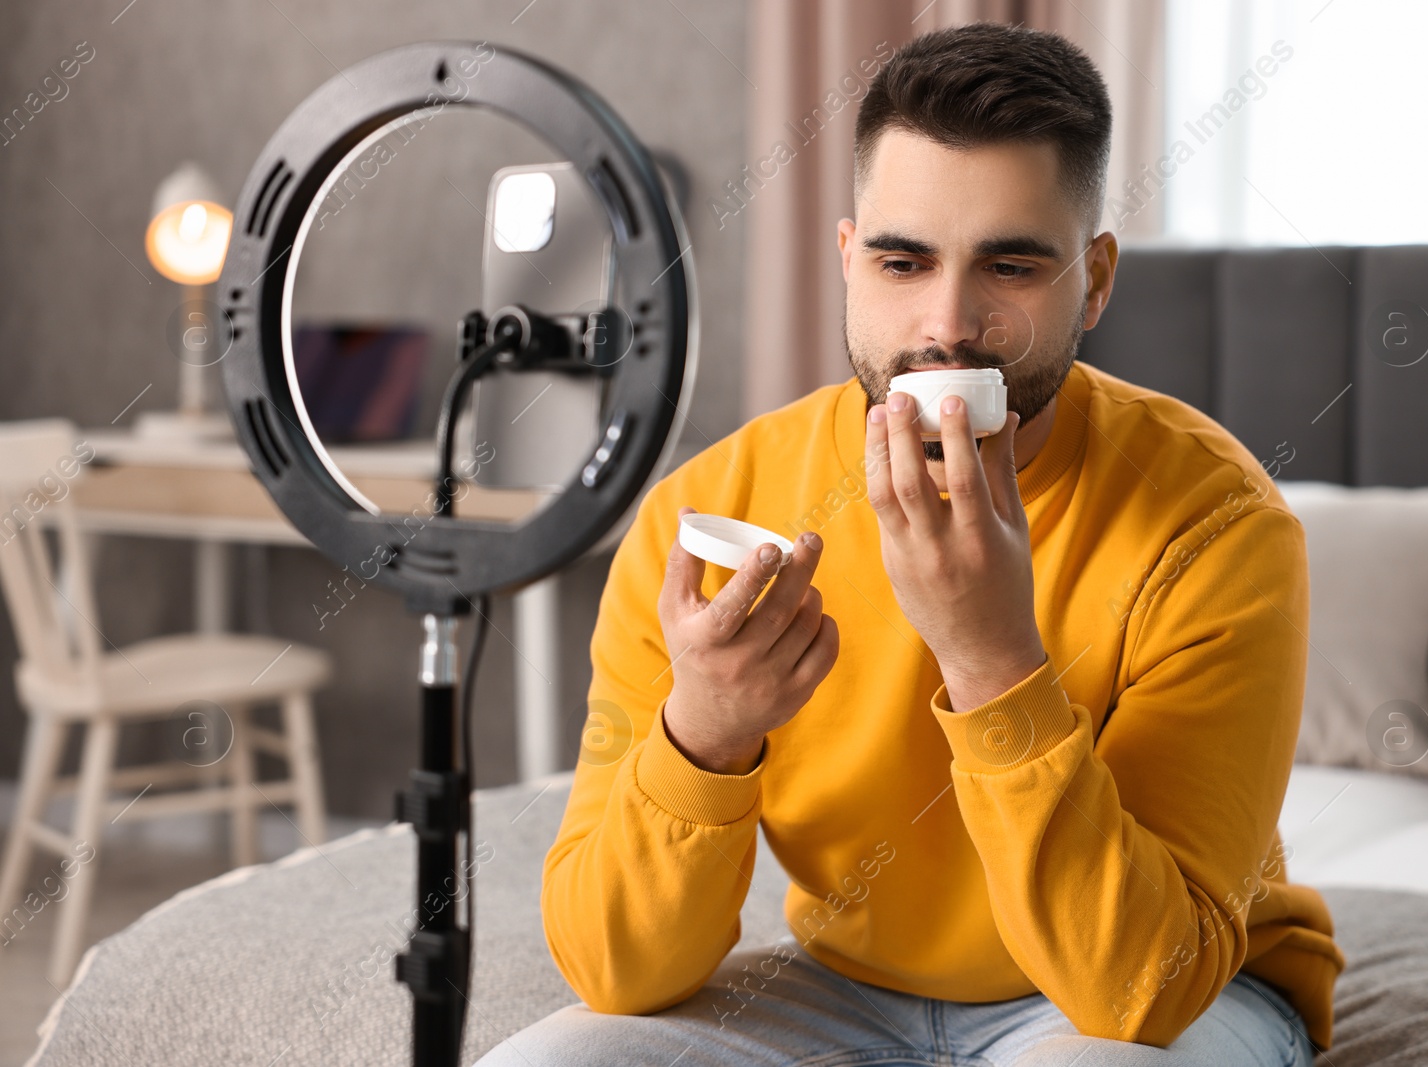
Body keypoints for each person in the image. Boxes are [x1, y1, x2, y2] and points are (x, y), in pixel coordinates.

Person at [476, 20, 1344, 1067]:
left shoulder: (1216, 528)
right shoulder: (707, 513)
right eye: (902, 259)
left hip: (1156, 996)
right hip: (846, 986)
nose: (948, 323)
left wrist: (990, 656)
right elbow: (616, 972)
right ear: (848, 260)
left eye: (1011, 265)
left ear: (1096, 279)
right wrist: (703, 731)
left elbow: (1138, 990)